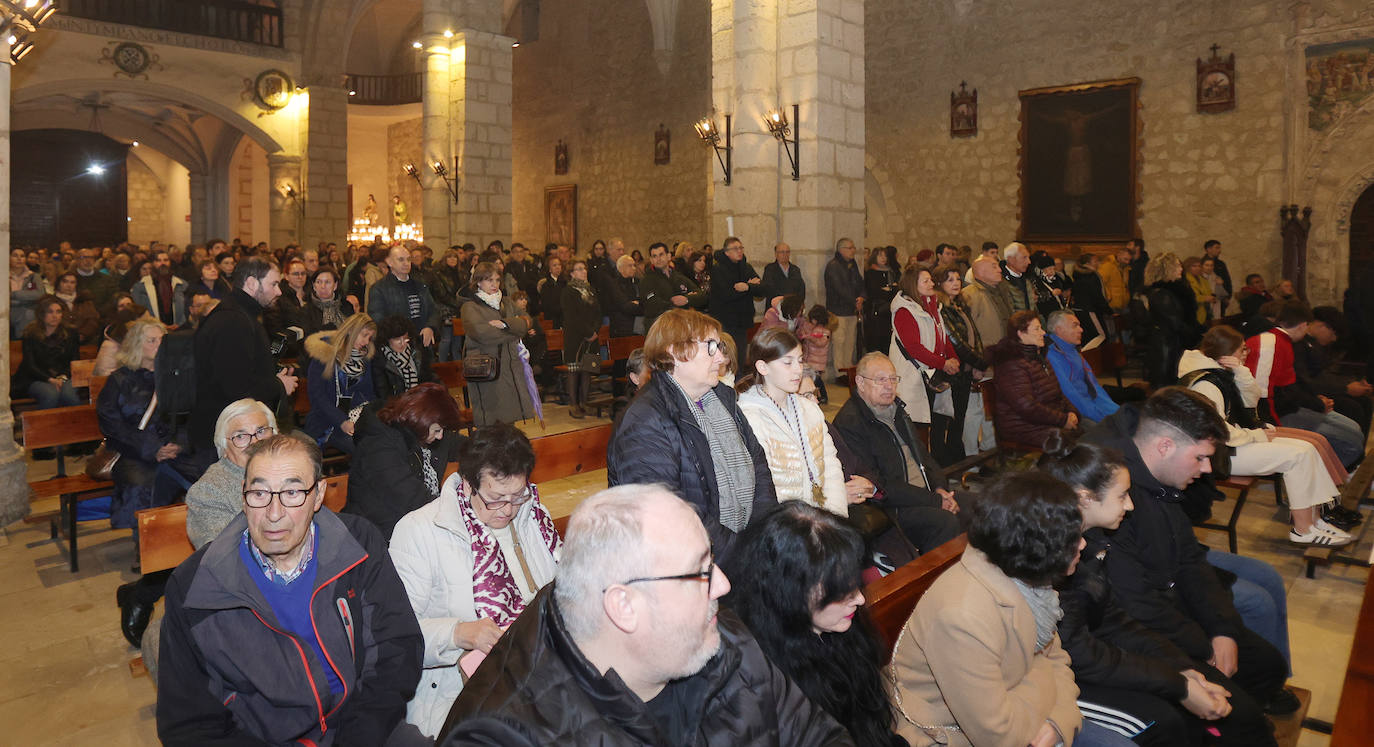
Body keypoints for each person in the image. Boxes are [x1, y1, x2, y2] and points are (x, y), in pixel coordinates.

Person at [438, 485, 852, 745]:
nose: (723, 585)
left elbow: (817, 735)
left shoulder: (720, 635)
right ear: (624, 606)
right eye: (701, 569)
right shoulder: (502, 735)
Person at [157, 434, 424, 746]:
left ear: (319, 495)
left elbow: (397, 647)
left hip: (361, 726)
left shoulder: (358, 544)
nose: (274, 513)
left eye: (293, 492)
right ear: (243, 496)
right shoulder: (195, 586)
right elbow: (189, 726)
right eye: (259, 493)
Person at [1041, 442, 1278, 747]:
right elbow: (1081, 653)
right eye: (1122, 496)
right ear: (1085, 499)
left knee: (1236, 710)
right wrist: (1177, 684)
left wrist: (1184, 669)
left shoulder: (1093, 541)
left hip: (1096, 654)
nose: (1130, 506)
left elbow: (1117, 622)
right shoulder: (1056, 559)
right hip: (1064, 673)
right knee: (1165, 721)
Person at [1080, 388, 1299, 717]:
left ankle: (1253, 696)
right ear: (1165, 446)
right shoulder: (1111, 496)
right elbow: (1135, 603)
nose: (1208, 469)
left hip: (1164, 584)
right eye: (1200, 457)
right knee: (1245, 693)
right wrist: (1203, 643)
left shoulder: (1158, 475)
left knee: (1267, 664)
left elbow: (1188, 558)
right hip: (1141, 621)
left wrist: (1221, 628)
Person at [390, 424, 562, 738]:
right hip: (460, 695)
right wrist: (459, 633)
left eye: (518, 495)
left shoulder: (532, 515)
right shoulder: (420, 531)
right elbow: (396, 636)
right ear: (468, 485)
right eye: (496, 498)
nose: (508, 510)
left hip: (538, 680)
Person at [888, 471, 1085, 747]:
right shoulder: (962, 615)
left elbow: (1056, 659)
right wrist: (1047, 688)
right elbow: (998, 735)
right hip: (948, 734)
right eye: (1071, 537)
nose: (1083, 544)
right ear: (1034, 546)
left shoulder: (1026, 581)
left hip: (1026, 716)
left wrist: (1057, 720)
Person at [724, 502, 901, 747]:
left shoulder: (844, 628)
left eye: (855, 585)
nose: (860, 599)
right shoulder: (759, 676)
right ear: (791, 594)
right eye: (842, 592)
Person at [607, 309, 777, 557]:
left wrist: (762, 537)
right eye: (711, 347)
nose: (721, 358)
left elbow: (759, 466)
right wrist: (742, 555)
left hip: (741, 553)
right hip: (683, 565)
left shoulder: (721, 399)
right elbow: (667, 515)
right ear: (674, 351)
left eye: (719, 347)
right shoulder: (644, 422)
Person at [1181, 326, 1352, 545]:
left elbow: (1251, 403)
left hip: (1231, 443)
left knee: (1307, 449)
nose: (1246, 353)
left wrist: (1242, 372)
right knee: (1296, 457)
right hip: (1216, 455)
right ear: (1226, 353)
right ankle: (1302, 529)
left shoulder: (1220, 373)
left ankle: (1315, 520)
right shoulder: (1205, 383)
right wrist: (1256, 436)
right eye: (1243, 350)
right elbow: (1218, 432)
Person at [831, 353, 961, 554]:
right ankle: (934, 582)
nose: (889, 385)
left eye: (893, 379)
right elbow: (878, 482)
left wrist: (939, 488)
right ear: (860, 382)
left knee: (978, 506)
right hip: (893, 507)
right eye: (880, 379)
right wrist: (934, 500)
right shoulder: (850, 423)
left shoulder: (897, 410)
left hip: (925, 494)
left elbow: (923, 456)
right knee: (946, 522)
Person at [189, 256, 297, 463]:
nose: (279, 291)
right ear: (251, 283)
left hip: (238, 431)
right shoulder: (232, 321)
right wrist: (278, 384)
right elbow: (235, 388)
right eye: (273, 284)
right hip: (225, 439)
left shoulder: (241, 314)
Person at [736, 328, 849, 516]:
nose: (798, 370)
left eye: (800, 360)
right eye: (787, 362)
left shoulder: (809, 409)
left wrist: (835, 516)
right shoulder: (749, 418)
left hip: (822, 518)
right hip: (785, 523)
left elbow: (830, 464)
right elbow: (762, 488)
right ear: (763, 367)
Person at [1244, 300, 1367, 467]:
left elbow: (1296, 382)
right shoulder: (1271, 343)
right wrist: (1274, 426)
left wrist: (1316, 400)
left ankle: (1328, 475)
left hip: (1291, 406)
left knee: (1354, 431)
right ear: (1303, 326)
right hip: (1279, 414)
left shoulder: (1284, 342)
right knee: (1351, 442)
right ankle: (1322, 476)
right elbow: (1262, 392)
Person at [346, 382, 467, 539]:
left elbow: (469, 446)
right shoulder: (379, 446)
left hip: (412, 528)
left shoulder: (423, 434)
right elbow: (412, 499)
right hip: (377, 538)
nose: (441, 436)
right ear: (420, 419)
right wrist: (462, 511)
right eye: (437, 430)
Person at [97, 318, 179, 532]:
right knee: (142, 484)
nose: (159, 345)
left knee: (205, 476)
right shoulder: (120, 380)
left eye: (162, 340)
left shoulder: (176, 378)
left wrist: (179, 444)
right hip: (133, 452)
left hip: (174, 450)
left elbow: (190, 416)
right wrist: (153, 449)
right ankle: (145, 547)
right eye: (152, 341)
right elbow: (112, 425)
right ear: (136, 345)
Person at [185, 399, 279, 549]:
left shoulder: (288, 472)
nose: (254, 441)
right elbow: (222, 556)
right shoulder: (208, 492)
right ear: (224, 447)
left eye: (261, 431)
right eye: (240, 436)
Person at [461, 261, 537, 426]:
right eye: (489, 280)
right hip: (486, 368)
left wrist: (505, 324)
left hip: (509, 366)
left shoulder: (507, 302)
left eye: (497, 280)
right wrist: (515, 330)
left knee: (510, 419)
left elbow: (528, 321)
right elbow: (482, 334)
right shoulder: (470, 307)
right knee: (492, 420)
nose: (494, 284)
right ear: (478, 282)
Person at [988, 310, 1079, 447]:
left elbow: (1058, 393)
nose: (1043, 332)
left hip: (1046, 422)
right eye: (1037, 329)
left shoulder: (1039, 357)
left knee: (1092, 432)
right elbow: (1027, 407)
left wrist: (1071, 412)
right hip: (1024, 428)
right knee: (1074, 442)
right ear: (1021, 333)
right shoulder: (1011, 364)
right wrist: (1062, 420)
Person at [937, 264, 995, 457]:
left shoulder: (959, 304)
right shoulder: (941, 308)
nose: (956, 283)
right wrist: (981, 363)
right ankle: (952, 460)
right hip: (952, 372)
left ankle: (960, 458)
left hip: (967, 369)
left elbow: (974, 335)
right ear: (939, 284)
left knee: (960, 418)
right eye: (950, 280)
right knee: (951, 420)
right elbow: (956, 342)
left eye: (958, 279)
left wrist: (978, 364)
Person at [303, 314, 377, 454]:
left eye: (370, 337)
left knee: (378, 443)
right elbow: (317, 396)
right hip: (326, 421)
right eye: (364, 335)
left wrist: (367, 417)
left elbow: (368, 394)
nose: (366, 341)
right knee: (364, 449)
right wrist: (341, 420)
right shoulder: (325, 353)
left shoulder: (364, 359)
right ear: (351, 330)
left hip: (355, 419)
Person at [1045, 310, 1119, 426]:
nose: (1081, 330)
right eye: (1075, 326)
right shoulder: (1051, 355)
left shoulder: (1073, 350)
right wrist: (1102, 417)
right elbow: (1070, 394)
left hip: (1091, 405)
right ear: (1059, 330)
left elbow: (1094, 386)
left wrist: (1115, 411)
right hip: (1076, 412)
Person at [1144, 252, 1200, 388]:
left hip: (1174, 341)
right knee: (1167, 386)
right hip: (1167, 345)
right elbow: (1174, 323)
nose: (1181, 269)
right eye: (1177, 266)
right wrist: (1197, 336)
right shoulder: (1161, 294)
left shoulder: (1172, 291)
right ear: (1167, 269)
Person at [14, 295, 80, 410]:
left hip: (65, 376)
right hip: (36, 377)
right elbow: (30, 365)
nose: (55, 316)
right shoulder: (30, 334)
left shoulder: (71, 333)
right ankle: (44, 427)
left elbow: (74, 360)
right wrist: (50, 380)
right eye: (50, 312)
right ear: (42, 314)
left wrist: (62, 377)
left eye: (58, 312)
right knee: (50, 394)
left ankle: (78, 425)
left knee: (68, 394)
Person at [709, 236, 765, 371]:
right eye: (735, 248)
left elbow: (762, 288)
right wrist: (748, 287)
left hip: (742, 320)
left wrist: (746, 287)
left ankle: (737, 387)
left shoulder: (746, 267)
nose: (739, 251)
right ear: (726, 252)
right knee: (726, 357)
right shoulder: (718, 270)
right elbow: (726, 295)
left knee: (740, 358)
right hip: (725, 320)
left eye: (741, 248)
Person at [369, 244, 440, 350]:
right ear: (389, 262)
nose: (406, 263)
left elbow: (433, 310)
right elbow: (377, 318)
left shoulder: (420, 285)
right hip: (393, 345)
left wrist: (430, 327)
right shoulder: (379, 288)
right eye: (401, 260)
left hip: (420, 344)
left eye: (408, 259)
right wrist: (397, 336)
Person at [641, 241, 707, 332]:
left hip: (682, 327)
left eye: (661, 255)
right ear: (651, 260)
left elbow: (701, 296)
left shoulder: (679, 277)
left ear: (668, 256)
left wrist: (686, 299)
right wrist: (673, 302)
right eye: (654, 256)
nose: (658, 259)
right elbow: (652, 304)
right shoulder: (647, 280)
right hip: (659, 328)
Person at [824, 237, 865, 379]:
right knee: (839, 342)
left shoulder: (852, 265)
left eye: (853, 247)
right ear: (841, 250)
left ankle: (848, 370)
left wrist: (861, 297)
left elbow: (860, 283)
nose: (853, 250)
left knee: (850, 341)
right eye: (850, 248)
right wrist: (855, 302)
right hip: (838, 310)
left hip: (851, 310)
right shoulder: (833, 266)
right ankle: (840, 372)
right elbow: (839, 288)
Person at [960, 255, 1012, 352]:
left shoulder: (1003, 290)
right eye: (994, 266)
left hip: (1006, 351)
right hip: (986, 353)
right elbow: (968, 330)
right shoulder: (969, 295)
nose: (1000, 270)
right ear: (981, 272)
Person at [131, 249, 188, 328]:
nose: (163, 263)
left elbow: (187, 308)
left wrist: (179, 324)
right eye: (158, 260)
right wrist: (157, 324)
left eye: (166, 260)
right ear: (153, 263)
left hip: (178, 328)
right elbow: (139, 311)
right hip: (151, 328)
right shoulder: (140, 287)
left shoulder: (181, 284)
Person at [863, 246, 901, 354]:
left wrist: (890, 289)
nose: (883, 258)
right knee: (877, 341)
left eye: (885, 256)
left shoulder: (891, 272)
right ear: (874, 257)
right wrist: (889, 289)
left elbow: (896, 290)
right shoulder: (871, 273)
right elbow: (874, 292)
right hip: (877, 312)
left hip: (889, 311)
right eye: (880, 256)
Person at [1073, 252, 1114, 343]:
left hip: (1084, 310)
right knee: (1101, 337)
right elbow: (1096, 296)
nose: (1098, 263)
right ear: (1087, 264)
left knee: (1090, 338)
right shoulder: (1091, 276)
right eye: (1095, 261)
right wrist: (1108, 310)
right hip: (1090, 310)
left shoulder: (1080, 275)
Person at [302, 266, 355, 335]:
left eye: (327, 282)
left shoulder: (346, 306)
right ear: (314, 286)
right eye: (318, 282)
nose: (323, 286)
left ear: (335, 285)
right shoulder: (306, 311)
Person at [605, 254, 644, 337]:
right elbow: (625, 306)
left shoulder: (637, 282)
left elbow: (645, 300)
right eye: (630, 266)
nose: (634, 268)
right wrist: (641, 306)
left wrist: (638, 303)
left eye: (634, 265)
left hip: (637, 327)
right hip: (621, 329)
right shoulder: (614, 285)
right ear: (620, 268)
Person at [10, 246, 45, 336]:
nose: (19, 259)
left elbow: (39, 294)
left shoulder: (34, 276)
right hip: (6, 312)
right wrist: (26, 297)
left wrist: (14, 294)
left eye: (22, 256)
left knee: (29, 315)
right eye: (15, 256)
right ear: (9, 258)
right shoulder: (2, 275)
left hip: (27, 313)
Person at [998, 241, 1034, 312]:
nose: (1029, 262)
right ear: (1011, 259)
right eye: (1024, 257)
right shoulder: (1001, 282)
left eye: (1028, 257)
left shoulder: (1026, 281)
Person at [1098, 246, 1132, 313]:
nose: (1127, 262)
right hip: (1112, 305)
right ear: (1119, 254)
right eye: (1125, 259)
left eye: (1129, 260)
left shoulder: (1125, 268)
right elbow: (1100, 282)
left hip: (1123, 305)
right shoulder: (1107, 266)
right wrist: (1108, 297)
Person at [1203, 240, 1233, 314]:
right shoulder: (1201, 263)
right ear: (1208, 249)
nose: (1219, 251)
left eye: (1219, 248)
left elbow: (1227, 280)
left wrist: (1227, 296)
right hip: (1208, 299)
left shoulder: (1220, 264)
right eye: (1217, 248)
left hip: (1221, 298)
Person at [536, 255, 565, 328]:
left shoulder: (565, 282)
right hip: (552, 319)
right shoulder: (546, 285)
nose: (557, 267)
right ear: (549, 269)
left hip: (564, 317)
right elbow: (546, 304)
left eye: (559, 265)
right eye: (554, 265)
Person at [1183, 257, 1214, 324]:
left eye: (1199, 266)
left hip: (1205, 312)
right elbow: (1189, 297)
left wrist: (1211, 297)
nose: (1197, 268)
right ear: (1188, 267)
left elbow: (1209, 292)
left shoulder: (1202, 279)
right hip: (1192, 313)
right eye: (1194, 266)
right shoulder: (1185, 280)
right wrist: (1204, 298)